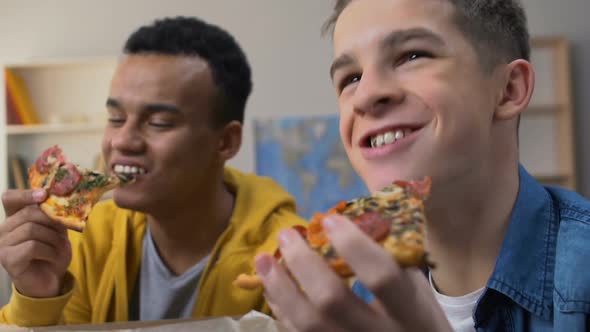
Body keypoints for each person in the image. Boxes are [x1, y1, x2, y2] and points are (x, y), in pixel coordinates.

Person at [255, 0, 590, 331]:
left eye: (412, 56)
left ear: (508, 90)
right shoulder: (346, 296)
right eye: (351, 78)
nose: (365, 95)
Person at [0, 16, 306, 326]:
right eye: (116, 118)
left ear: (225, 142)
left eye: (158, 122)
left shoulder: (290, 261)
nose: (121, 141)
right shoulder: (87, 239)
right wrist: (38, 297)